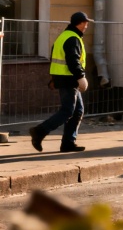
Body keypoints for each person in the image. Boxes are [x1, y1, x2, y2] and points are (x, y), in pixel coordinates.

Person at [30, 12, 94, 152]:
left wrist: (54, 78)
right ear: (81, 23)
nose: (87, 26)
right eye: (86, 23)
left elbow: (55, 58)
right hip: (69, 79)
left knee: (77, 111)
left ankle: (68, 143)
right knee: (68, 111)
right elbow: (73, 60)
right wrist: (81, 77)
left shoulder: (64, 36)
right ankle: (39, 131)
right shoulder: (72, 38)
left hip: (64, 78)